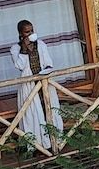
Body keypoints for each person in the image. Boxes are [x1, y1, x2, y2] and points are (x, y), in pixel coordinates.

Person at [9, 19, 64, 149]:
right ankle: (38, 145)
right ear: (21, 34)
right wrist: (24, 49)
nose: (30, 34)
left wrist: (45, 72)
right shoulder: (15, 48)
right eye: (27, 32)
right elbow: (19, 65)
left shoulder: (41, 44)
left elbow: (48, 63)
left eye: (32, 31)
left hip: (44, 83)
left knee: (49, 109)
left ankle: (54, 142)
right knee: (33, 114)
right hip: (29, 86)